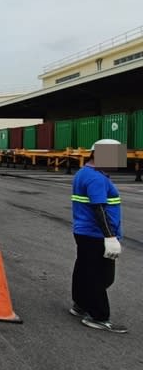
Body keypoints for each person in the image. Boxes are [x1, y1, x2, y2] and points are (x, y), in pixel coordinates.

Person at [70, 140, 127, 333]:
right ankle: (98, 316)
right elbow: (98, 208)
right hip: (96, 234)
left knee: (84, 269)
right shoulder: (96, 179)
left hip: (84, 231)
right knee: (102, 276)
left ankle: (80, 304)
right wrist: (110, 236)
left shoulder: (83, 173)